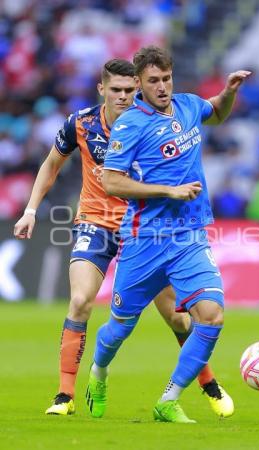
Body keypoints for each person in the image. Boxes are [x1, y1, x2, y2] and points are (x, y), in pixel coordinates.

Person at [14, 59, 234, 417]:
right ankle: (65, 395)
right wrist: (31, 210)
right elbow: (52, 164)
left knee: (178, 319)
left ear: (138, 89)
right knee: (81, 300)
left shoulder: (148, 123)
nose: (123, 96)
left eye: (130, 90)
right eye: (115, 90)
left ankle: (208, 383)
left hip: (146, 232)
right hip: (97, 224)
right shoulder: (81, 124)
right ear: (102, 89)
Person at [86, 47, 250, 423]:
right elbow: (111, 181)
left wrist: (229, 93)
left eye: (167, 79)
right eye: (153, 81)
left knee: (210, 316)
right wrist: (167, 190)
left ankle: (168, 400)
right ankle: (98, 371)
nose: (162, 87)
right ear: (140, 84)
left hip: (189, 237)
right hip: (145, 240)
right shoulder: (130, 124)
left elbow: (217, 114)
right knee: (118, 329)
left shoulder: (189, 105)